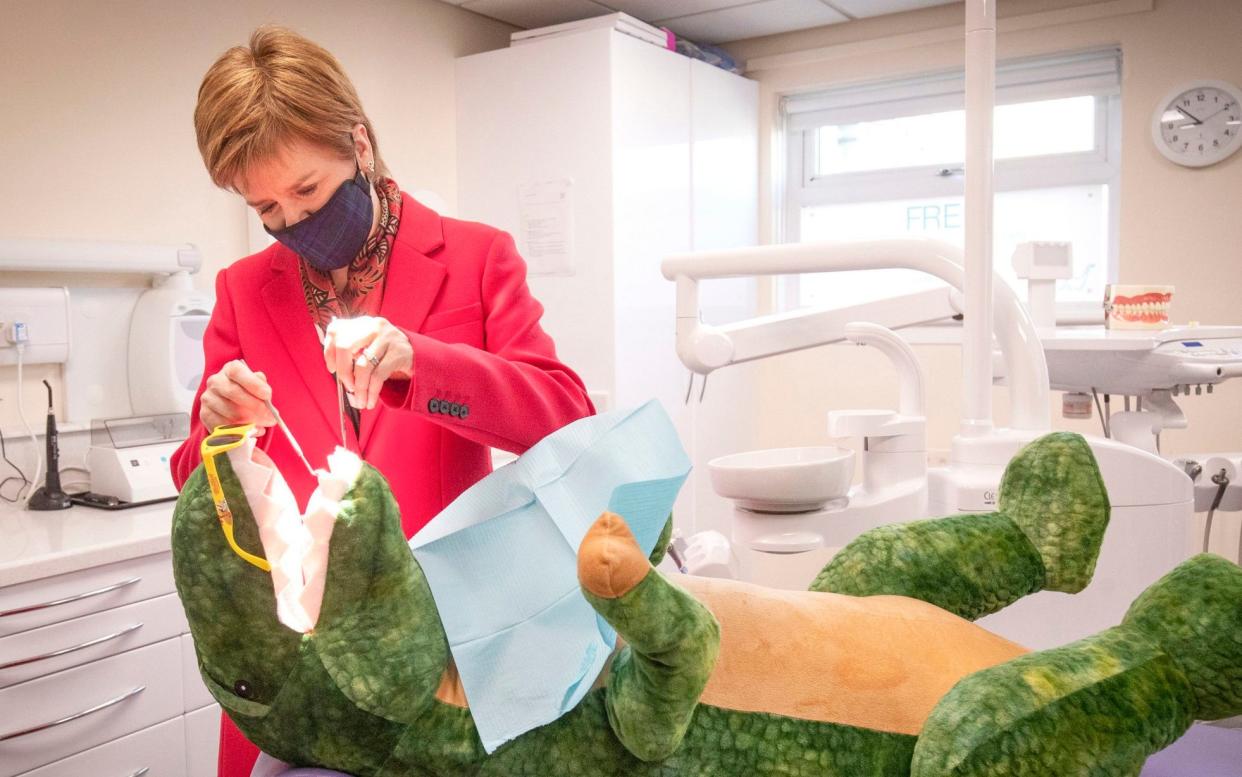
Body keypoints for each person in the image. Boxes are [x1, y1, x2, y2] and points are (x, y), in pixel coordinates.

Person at [170, 25, 594, 777]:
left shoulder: (473, 257)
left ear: (357, 144)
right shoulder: (242, 290)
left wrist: (423, 364)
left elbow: (565, 415)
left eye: (307, 190)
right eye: (267, 207)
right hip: (303, 667)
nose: (293, 222)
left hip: (442, 642)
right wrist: (217, 428)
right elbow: (191, 480)